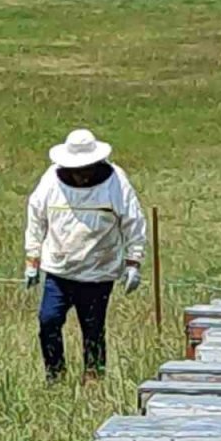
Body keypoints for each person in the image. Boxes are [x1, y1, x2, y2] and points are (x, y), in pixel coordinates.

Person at [23, 129, 147, 383]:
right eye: (76, 169)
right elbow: (36, 218)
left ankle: (93, 379)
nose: (81, 175)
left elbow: (133, 221)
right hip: (59, 270)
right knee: (48, 321)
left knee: (93, 328)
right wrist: (32, 260)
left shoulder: (116, 182)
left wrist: (134, 261)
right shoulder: (51, 180)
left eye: (86, 168)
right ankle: (54, 376)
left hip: (98, 271)